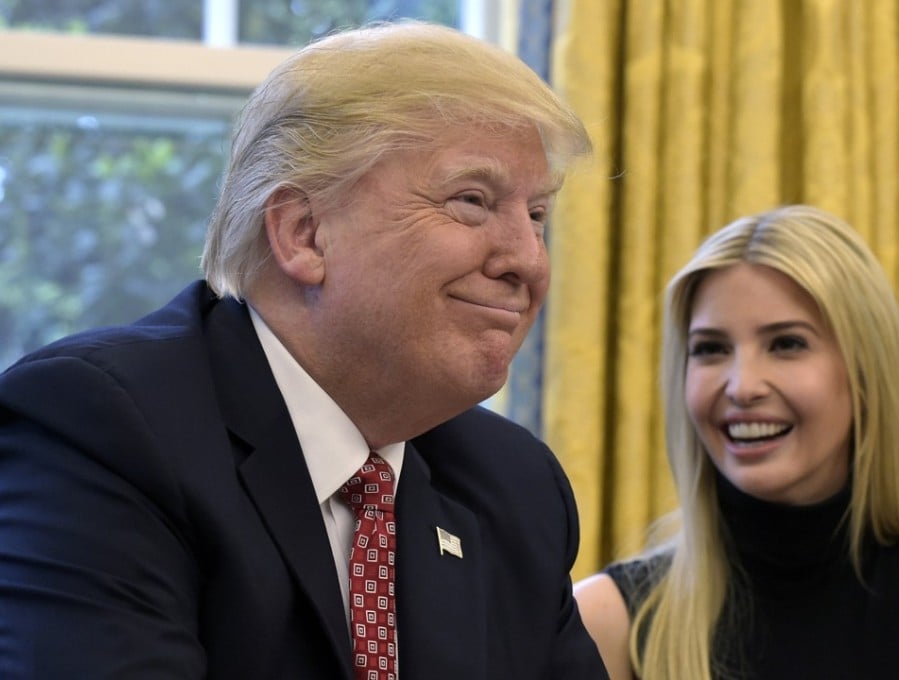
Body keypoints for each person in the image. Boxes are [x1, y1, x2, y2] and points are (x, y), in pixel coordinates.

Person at [0, 21, 609, 679]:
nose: (527, 259)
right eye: (472, 201)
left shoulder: (514, 483)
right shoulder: (102, 428)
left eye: (538, 216)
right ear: (303, 234)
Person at [574, 204, 899, 679]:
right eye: (710, 349)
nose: (742, 386)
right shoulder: (606, 622)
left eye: (786, 344)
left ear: (866, 372)